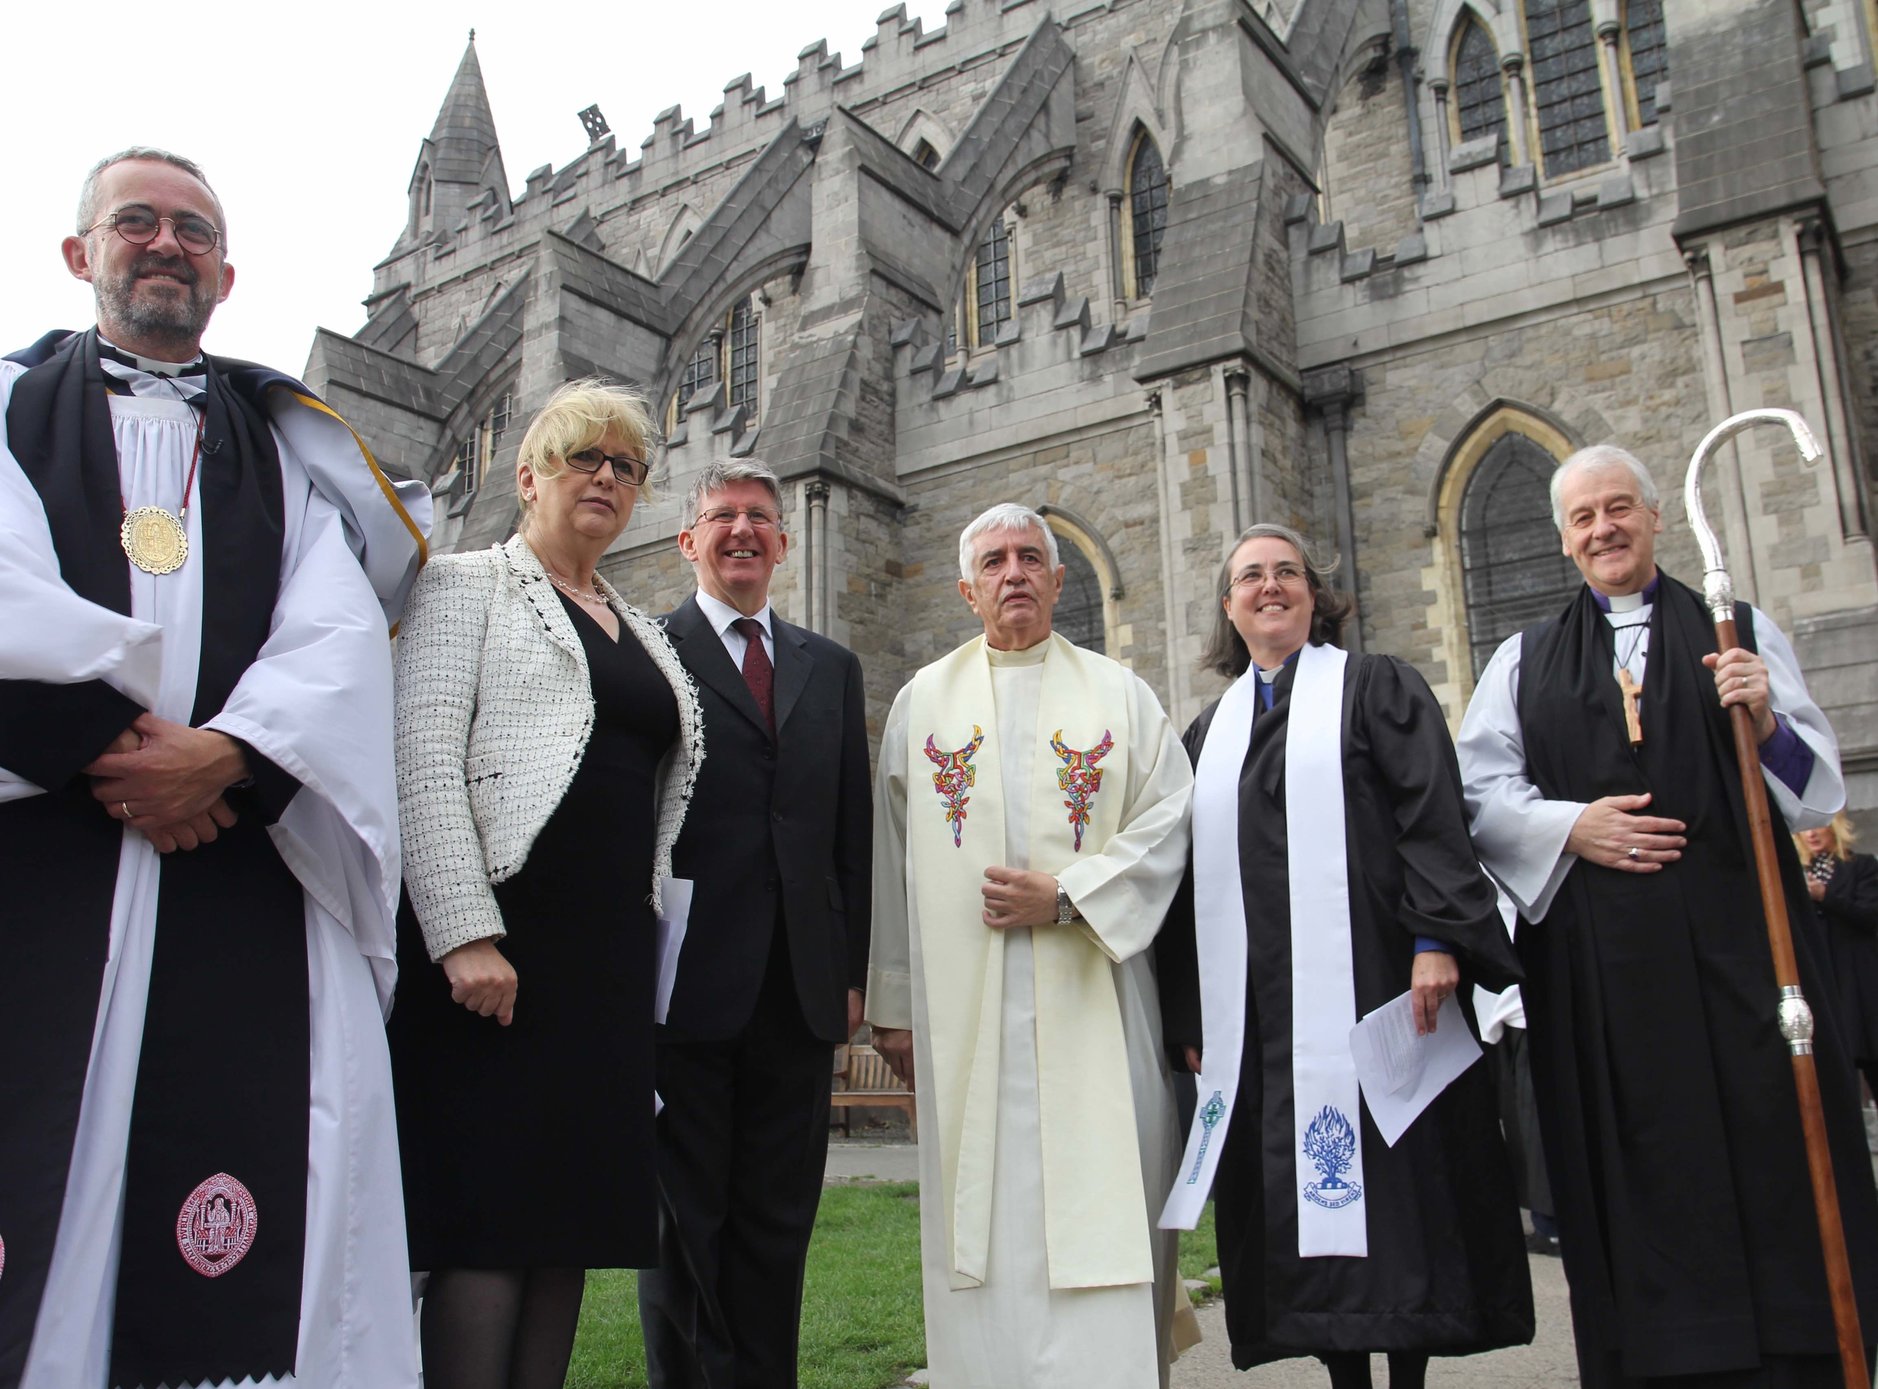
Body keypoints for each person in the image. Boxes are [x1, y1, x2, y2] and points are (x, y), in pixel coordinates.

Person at [0, 147, 429, 1388]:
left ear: (227, 275)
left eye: (194, 230)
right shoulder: (13, 411)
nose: (165, 244)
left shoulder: (291, 454)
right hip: (44, 855)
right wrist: (116, 752)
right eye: (135, 221)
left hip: (243, 863)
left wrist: (234, 760)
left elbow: (338, 633)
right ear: (80, 253)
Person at [1456, 443, 1878, 1387]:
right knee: (1636, 1166)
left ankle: (1802, 1356)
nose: (1602, 528)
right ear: (1563, 541)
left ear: (1654, 516)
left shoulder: (1740, 630)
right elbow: (1479, 795)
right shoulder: (1522, 661)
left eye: (1618, 509)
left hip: (1748, 958)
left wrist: (1766, 721)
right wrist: (1573, 825)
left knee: (1773, 1150)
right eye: (1582, 518)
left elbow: (1816, 798)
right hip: (1605, 976)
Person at [1155, 523, 1532, 1387]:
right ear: (1229, 606)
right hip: (1262, 1022)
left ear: (1314, 595)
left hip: (1381, 986)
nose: (1270, 585)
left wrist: (1438, 939)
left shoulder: (1377, 689)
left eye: (1287, 571)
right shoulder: (1208, 737)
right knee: (1294, 1217)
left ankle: (1406, 1380)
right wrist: (1193, 1013)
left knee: (1403, 1201)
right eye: (1250, 576)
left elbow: (1430, 814)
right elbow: (1184, 883)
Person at [388, 379, 703, 1389]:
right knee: (488, 1224)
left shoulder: (641, 629)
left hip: (601, 967)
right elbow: (422, 760)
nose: (607, 478)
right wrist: (462, 933)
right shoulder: (465, 584)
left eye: (626, 466)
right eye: (584, 459)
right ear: (528, 478)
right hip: (499, 954)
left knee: (567, 1227)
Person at [867, 502, 1194, 1389]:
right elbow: (890, 863)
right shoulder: (921, 703)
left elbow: (1171, 822)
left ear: (1059, 579)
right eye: (995, 561)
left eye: (1031, 558)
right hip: (965, 1019)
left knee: (1107, 1203)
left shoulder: (1121, 696)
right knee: (988, 1224)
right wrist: (891, 1006)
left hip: (1096, 996)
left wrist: (1068, 896)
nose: (1015, 572)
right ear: (967, 588)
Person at [637, 460, 872, 1389]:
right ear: (687, 541)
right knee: (683, 1229)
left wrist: (850, 970)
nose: (743, 531)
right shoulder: (649, 652)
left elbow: (849, 834)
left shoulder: (831, 666)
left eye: (760, 518)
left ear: (785, 540)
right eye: (722, 516)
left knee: (778, 1226)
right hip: (685, 988)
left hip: (800, 992)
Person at [1795, 812, 1878, 1100]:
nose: (1812, 835)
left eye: (1818, 827)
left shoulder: (1861, 867)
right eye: (1805, 830)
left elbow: (1868, 915)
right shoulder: (1796, 873)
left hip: (1859, 984)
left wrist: (1826, 896)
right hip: (1822, 980)